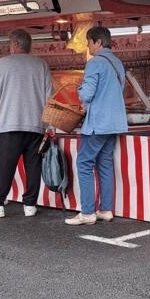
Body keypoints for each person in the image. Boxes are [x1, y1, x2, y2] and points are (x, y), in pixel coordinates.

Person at [0, 29, 52, 219]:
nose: (9, 47)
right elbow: (49, 95)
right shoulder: (41, 64)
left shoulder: (2, 64)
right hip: (36, 124)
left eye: (10, 43)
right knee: (33, 165)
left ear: (15, 44)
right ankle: (30, 205)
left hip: (9, 122)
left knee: (5, 165)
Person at [65, 26, 128, 225]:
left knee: (84, 163)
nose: (87, 46)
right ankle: (106, 209)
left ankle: (87, 212)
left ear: (98, 42)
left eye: (89, 42)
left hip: (98, 123)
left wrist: (80, 89)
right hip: (115, 123)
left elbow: (87, 94)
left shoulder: (95, 63)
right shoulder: (117, 63)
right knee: (105, 164)